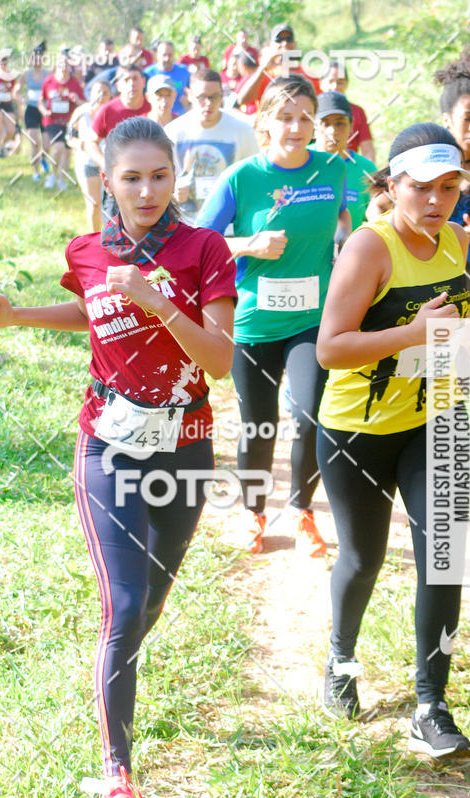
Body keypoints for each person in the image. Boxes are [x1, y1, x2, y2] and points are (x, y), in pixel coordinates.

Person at [0, 116, 237, 798]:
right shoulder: (88, 250)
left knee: (149, 602)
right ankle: (117, 773)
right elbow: (91, 312)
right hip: (108, 444)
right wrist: (18, 314)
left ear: (175, 176)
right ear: (108, 182)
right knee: (123, 606)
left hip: (186, 442)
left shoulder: (204, 249)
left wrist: (159, 302)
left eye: (159, 175)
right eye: (131, 177)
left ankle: (116, 673)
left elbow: (218, 359)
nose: (147, 190)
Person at [316, 122, 470, 756]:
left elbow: (452, 333)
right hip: (356, 430)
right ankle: (339, 662)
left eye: (450, 188)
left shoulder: (452, 242)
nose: (437, 202)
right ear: (394, 186)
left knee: (446, 555)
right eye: (422, 189)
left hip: (434, 417)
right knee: (363, 558)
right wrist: (414, 335)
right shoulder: (369, 247)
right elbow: (331, 347)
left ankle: (431, 705)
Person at [198, 75, 349, 556]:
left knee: (310, 416)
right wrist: (249, 245)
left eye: (305, 116)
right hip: (254, 322)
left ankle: (302, 512)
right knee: (258, 425)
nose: (296, 126)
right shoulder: (242, 178)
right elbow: (195, 244)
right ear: (264, 121)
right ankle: (253, 512)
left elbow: (369, 215)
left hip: (312, 321)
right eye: (284, 116)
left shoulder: (335, 170)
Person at [435, 54, 470, 327]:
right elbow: (386, 198)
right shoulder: (431, 156)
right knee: (436, 350)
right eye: (467, 118)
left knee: (468, 357)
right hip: (431, 270)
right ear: (447, 119)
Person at [166, 68, 258, 224]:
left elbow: (254, 178)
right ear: (189, 95)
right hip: (184, 225)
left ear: (222, 95)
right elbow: (159, 180)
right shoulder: (172, 133)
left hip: (228, 225)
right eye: (202, 97)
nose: (208, 104)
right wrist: (172, 193)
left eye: (214, 97)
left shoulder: (243, 131)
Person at [313, 91, 377, 233]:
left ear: (351, 125)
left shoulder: (366, 169)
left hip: (352, 252)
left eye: (340, 123)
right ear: (314, 125)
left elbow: (377, 220)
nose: (333, 131)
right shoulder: (299, 160)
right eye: (325, 123)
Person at [237, 24, 320, 109]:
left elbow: (317, 106)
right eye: (279, 40)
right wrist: (263, 68)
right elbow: (243, 100)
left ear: (295, 44)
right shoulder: (263, 73)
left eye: (289, 39)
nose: (284, 43)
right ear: (271, 45)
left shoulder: (308, 74)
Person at [66, 80, 111, 231]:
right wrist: (82, 145)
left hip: (108, 164)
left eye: (105, 93)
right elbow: (69, 137)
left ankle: (111, 238)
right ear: (90, 93)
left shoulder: (112, 112)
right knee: (94, 203)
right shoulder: (81, 112)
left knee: (109, 205)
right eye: (97, 92)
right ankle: (94, 238)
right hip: (86, 162)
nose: (101, 96)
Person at [88, 64, 151, 167]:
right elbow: (91, 143)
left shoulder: (153, 107)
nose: (131, 84)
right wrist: (104, 164)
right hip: (120, 171)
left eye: (135, 79)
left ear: (143, 82)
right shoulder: (108, 110)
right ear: (118, 86)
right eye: (126, 80)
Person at [39, 51, 84, 190]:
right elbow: (41, 101)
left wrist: (77, 100)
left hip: (70, 122)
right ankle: (52, 175)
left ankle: (62, 179)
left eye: (66, 66)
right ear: (56, 67)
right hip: (52, 121)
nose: (64, 69)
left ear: (70, 68)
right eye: (61, 66)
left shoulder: (74, 83)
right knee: (58, 147)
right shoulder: (49, 81)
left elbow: (84, 102)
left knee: (67, 151)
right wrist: (44, 111)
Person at [320, 61, 375, 162]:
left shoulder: (357, 112)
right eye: (330, 81)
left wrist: (368, 172)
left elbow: (368, 150)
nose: (335, 86)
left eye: (340, 82)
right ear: (321, 83)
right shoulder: (312, 110)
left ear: (347, 84)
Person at [16, 42, 50, 180]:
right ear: (31, 60)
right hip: (31, 110)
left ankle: (42, 158)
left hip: (45, 111)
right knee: (35, 142)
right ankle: (36, 172)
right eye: (34, 58)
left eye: (39, 58)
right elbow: (16, 91)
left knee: (47, 144)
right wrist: (21, 99)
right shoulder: (26, 75)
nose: (37, 61)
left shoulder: (48, 74)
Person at [144, 42, 190, 116]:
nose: (167, 58)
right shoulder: (148, 73)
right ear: (157, 55)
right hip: (157, 117)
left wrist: (189, 101)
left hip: (179, 117)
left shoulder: (184, 71)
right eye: (164, 55)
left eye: (170, 55)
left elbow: (194, 91)